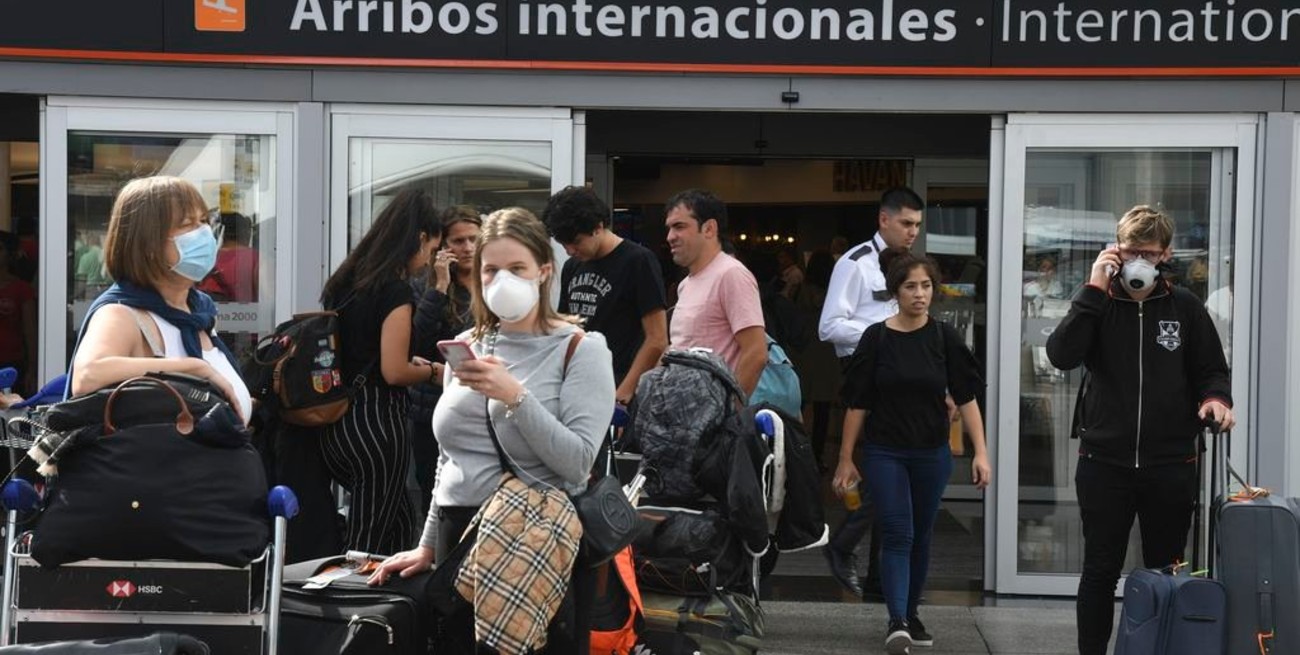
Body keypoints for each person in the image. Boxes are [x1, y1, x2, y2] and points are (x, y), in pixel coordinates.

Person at [368, 207, 616, 653]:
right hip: (457, 540)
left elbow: (578, 463)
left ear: (543, 271)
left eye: (517, 268)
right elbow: (450, 458)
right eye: (491, 270)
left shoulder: (581, 349)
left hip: (532, 543)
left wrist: (515, 397)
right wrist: (426, 546)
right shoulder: (469, 348)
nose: (503, 280)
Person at [1045, 205, 1234, 655]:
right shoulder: (1097, 302)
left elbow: (1212, 370)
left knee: (1165, 571)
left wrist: (1215, 400)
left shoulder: (1184, 307)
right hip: (1104, 463)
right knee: (1099, 570)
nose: (1138, 262)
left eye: (1148, 253)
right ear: (1115, 249)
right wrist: (1094, 287)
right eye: (1130, 252)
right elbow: (1061, 355)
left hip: (1170, 463)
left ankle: (1156, 648)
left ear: (1166, 254)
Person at [834, 247, 991, 655]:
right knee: (898, 533)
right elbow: (858, 402)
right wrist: (846, 457)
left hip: (931, 453)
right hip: (885, 452)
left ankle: (911, 612)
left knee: (921, 536)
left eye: (925, 286)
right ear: (895, 291)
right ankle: (897, 619)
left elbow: (967, 395)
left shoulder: (944, 337)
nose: (919, 294)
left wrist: (981, 452)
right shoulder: (877, 337)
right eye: (910, 286)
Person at [319, 186, 443, 555]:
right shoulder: (394, 290)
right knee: (366, 540)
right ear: (420, 239)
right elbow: (394, 371)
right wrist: (433, 371)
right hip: (376, 424)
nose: (428, 260)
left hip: (336, 418)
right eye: (432, 250)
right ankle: (350, 608)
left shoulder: (345, 280)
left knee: (401, 521)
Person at [67, 176, 250, 424]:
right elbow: (87, 375)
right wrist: (193, 369)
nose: (204, 233)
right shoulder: (122, 313)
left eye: (204, 221)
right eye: (187, 224)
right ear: (148, 243)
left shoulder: (199, 312)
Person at [817, 186, 925, 598]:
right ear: (884, 220)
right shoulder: (856, 263)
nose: (912, 231)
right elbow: (828, 327)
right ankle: (845, 547)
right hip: (866, 372)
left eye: (917, 224)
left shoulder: (910, 265)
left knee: (897, 471)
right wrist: (881, 335)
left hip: (901, 374)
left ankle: (879, 577)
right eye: (906, 223)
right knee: (890, 468)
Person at [543, 186, 668, 406]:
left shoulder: (638, 261)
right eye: (563, 244)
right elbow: (565, 329)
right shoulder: (572, 266)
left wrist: (624, 392)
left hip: (620, 382)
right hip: (578, 383)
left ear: (598, 227)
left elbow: (657, 338)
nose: (570, 251)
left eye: (576, 242)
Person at [407, 205, 482, 516]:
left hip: (481, 403)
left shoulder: (491, 281)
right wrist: (439, 286)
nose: (467, 248)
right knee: (434, 488)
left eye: (474, 240)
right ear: (442, 246)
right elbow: (415, 343)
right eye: (458, 241)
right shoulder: (425, 285)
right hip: (434, 404)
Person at [664, 189, 766, 397]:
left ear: (709, 229)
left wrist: (728, 412)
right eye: (669, 228)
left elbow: (756, 353)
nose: (670, 237)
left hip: (713, 419)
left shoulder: (732, 274)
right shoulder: (685, 284)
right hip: (681, 413)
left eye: (679, 226)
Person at [0, 232, 36, 395]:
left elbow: (30, 332)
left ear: (10, 254)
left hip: (11, 365)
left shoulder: (22, 289)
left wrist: (32, 369)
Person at [197, 212, 259, 302]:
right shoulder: (255, 258)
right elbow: (267, 296)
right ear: (245, 232)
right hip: (246, 314)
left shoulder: (202, 257)